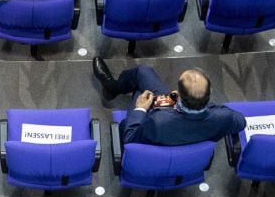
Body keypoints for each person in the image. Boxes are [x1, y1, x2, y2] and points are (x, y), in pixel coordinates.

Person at [92, 57, 246, 146]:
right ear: (209, 94)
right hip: (182, 122)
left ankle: (112, 87)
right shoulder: (223, 117)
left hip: (162, 127)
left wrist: (140, 110)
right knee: (144, 75)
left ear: (178, 95)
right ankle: (113, 87)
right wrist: (208, 107)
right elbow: (240, 121)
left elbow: (129, 136)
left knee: (141, 82)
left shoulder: (158, 121)